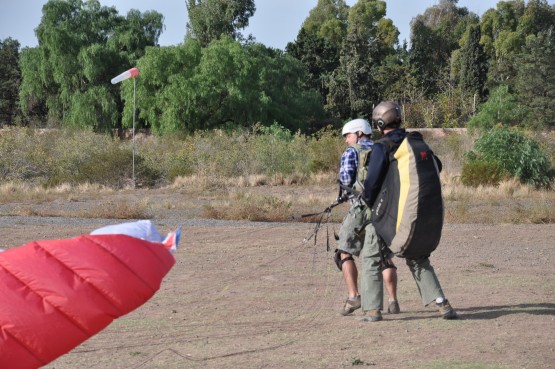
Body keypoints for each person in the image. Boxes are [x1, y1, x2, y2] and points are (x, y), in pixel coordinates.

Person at [360, 101, 457, 322]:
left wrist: (368, 202)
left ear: (379, 122)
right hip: (419, 212)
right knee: (418, 257)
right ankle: (442, 304)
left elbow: (372, 183)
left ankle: (373, 310)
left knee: (372, 255)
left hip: (392, 214)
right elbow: (437, 166)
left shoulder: (382, 146)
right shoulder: (415, 141)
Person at [336, 118, 400, 316]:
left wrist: (341, 197)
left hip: (360, 209)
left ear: (358, 133)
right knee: (384, 256)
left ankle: (354, 297)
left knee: (343, 251)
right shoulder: (383, 148)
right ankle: (393, 301)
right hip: (385, 209)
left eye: (348, 135)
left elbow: (346, 180)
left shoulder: (351, 152)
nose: (346, 140)